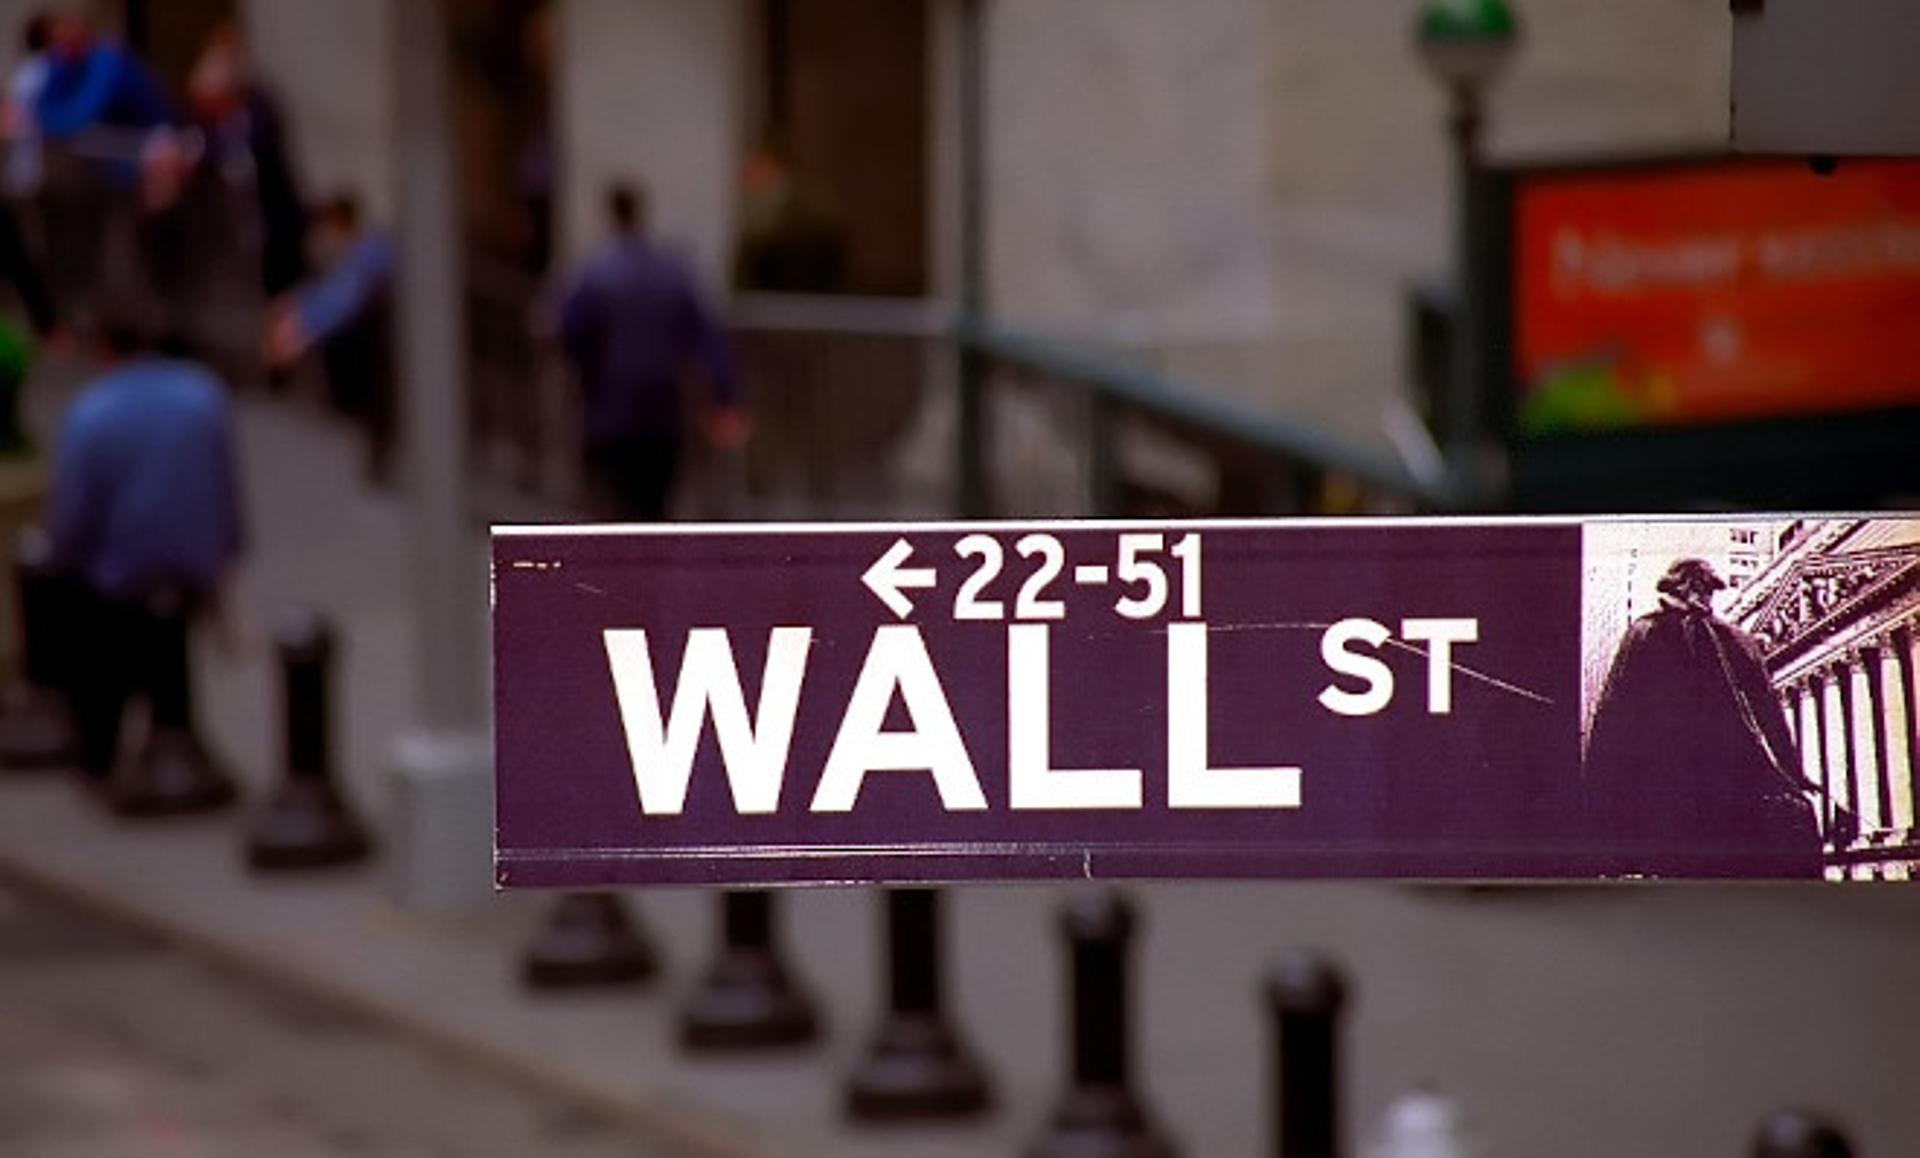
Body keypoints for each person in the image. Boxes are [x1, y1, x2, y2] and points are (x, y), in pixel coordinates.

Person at [46, 303, 244, 783]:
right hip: (191, 567)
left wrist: (60, 562)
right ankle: (174, 736)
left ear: (104, 351)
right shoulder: (203, 395)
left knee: (92, 653)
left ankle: (97, 755)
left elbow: (72, 519)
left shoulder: (92, 414)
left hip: (121, 576)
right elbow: (227, 493)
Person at [1582, 558, 1828, 878]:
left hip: (1682, 785)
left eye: (1707, 590)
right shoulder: (1729, 639)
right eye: (1702, 588)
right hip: (1710, 781)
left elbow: (1613, 716)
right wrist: (1791, 769)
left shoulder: (1655, 633)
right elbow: (1770, 717)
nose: (1705, 597)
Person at [559, 182, 746, 520]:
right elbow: (707, 336)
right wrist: (725, 396)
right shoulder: (671, 271)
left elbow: (570, 330)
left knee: (609, 510)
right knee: (654, 510)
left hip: (608, 410)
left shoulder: (595, 273)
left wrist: (585, 371)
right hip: (661, 410)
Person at [265, 192, 395, 485]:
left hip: (382, 340)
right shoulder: (357, 252)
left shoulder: (369, 252)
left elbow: (342, 300)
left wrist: (306, 331)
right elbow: (332, 293)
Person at [187, 22, 308, 298]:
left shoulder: (259, 106)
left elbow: (250, 152)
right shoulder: (209, 123)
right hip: (237, 233)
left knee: (281, 290)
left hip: (276, 221)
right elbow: (200, 143)